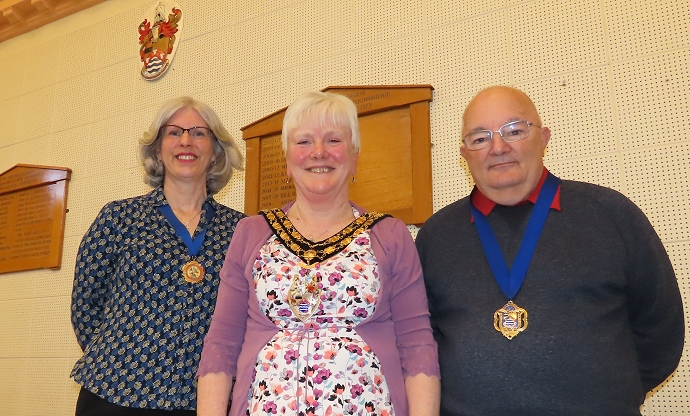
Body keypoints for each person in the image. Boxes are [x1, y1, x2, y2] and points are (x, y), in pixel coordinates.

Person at [415, 86, 684, 416]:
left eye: (514, 131)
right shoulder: (435, 236)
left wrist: (610, 394)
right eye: (480, 138)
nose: (497, 147)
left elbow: (660, 329)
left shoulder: (611, 213)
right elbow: (419, 345)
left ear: (543, 137)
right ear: (464, 153)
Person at [196, 91, 441, 416]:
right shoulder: (251, 233)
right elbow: (222, 343)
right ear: (287, 160)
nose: (319, 152)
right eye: (304, 142)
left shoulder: (390, 235)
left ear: (355, 157)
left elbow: (417, 345)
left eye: (334, 140)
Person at [70, 96, 246, 415]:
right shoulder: (118, 219)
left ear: (216, 151)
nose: (186, 141)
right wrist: (123, 358)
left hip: (203, 400)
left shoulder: (242, 230)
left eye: (199, 133)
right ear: (157, 149)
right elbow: (86, 307)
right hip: (115, 394)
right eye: (174, 132)